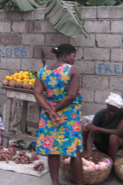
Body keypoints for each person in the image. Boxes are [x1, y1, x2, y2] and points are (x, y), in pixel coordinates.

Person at [33, 43, 83, 185]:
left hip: (49, 116)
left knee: (52, 149)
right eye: (73, 56)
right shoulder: (72, 70)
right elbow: (71, 95)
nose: (74, 59)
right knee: (74, 150)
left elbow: (37, 93)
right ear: (66, 55)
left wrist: (50, 110)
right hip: (68, 115)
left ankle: (55, 182)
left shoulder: (43, 71)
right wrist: (57, 110)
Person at [83, 92, 123, 181]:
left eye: (114, 111)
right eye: (109, 109)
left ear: (119, 109)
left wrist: (97, 128)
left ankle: (111, 168)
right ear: (107, 106)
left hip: (119, 141)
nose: (111, 112)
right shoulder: (100, 114)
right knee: (85, 129)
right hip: (103, 141)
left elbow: (118, 132)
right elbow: (92, 134)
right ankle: (85, 156)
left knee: (113, 137)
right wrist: (89, 151)